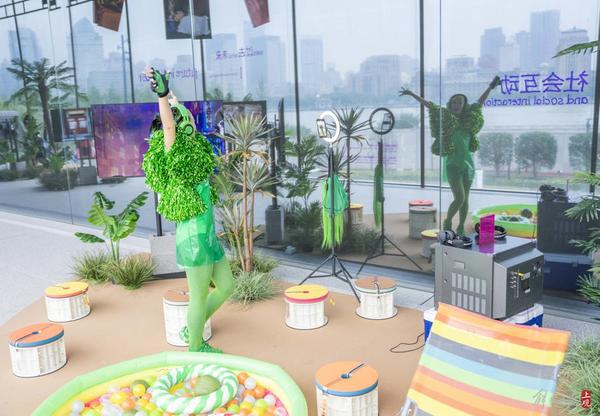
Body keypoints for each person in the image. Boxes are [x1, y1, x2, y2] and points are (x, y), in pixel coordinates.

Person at [142, 67, 233, 353]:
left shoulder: (194, 154)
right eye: (183, 118)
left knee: (227, 287)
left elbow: (178, 111)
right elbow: (169, 126)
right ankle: (195, 347)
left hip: (208, 235)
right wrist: (161, 97)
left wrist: (170, 94)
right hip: (194, 239)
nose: (188, 119)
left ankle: (192, 328)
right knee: (198, 297)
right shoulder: (174, 152)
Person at [400, 76, 501, 235]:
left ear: (464, 105)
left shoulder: (469, 119)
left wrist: (490, 87)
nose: (456, 105)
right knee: (460, 198)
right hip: (453, 165)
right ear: (450, 104)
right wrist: (412, 94)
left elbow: (480, 102)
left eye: (460, 102)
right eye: (454, 102)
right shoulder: (445, 118)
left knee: (466, 199)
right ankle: (447, 221)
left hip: (468, 165)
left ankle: (460, 226)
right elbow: (430, 105)